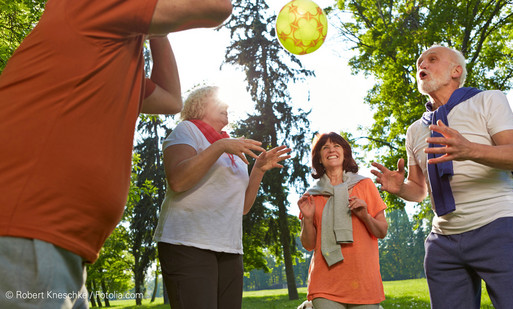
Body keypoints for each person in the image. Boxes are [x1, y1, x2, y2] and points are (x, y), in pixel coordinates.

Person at [0, 0, 235, 308]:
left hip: (53, 243)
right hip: (25, 232)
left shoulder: (112, 50)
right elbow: (216, 6)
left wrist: (155, 30)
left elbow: (170, 100)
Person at [371, 45, 513, 308]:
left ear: (456, 71)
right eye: (419, 63)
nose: (422, 65)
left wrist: (469, 149)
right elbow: (420, 190)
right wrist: (400, 188)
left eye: (432, 59)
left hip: (498, 226)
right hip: (443, 243)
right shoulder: (415, 130)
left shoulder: (488, 100)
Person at [154, 85, 291, 309]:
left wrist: (258, 170)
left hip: (229, 248)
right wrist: (220, 146)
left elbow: (243, 207)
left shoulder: (232, 147)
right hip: (187, 242)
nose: (226, 106)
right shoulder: (187, 130)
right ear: (199, 105)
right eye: (218, 102)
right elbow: (178, 180)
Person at [298, 132, 388, 309]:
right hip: (325, 282)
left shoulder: (365, 185)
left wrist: (364, 216)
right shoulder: (311, 196)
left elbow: (381, 231)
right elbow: (308, 244)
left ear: (345, 153)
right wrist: (307, 220)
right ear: (319, 159)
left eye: (336, 146)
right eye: (325, 147)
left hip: (364, 280)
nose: (331, 149)